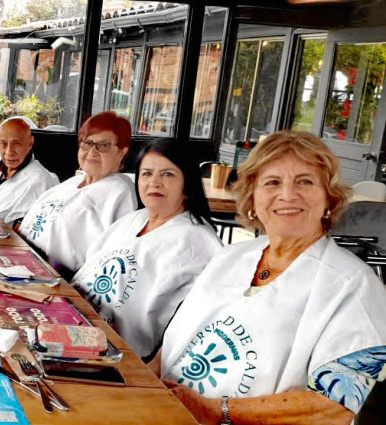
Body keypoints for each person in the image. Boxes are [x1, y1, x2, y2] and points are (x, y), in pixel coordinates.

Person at [154, 131, 386, 425]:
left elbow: (332, 408)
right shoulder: (228, 257)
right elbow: (175, 344)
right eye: (272, 182)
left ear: (329, 197)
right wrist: (141, 380)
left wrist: (213, 410)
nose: (287, 195)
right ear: (252, 197)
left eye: (305, 181)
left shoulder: (355, 286)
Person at [71, 139, 222, 360]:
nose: (154, 182)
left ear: (187, 184)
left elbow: (192, 323)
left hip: (121, 355)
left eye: (167, 174)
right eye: (147, 174)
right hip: (74, 326)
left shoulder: (198, 241)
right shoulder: (132, 220)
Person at [18, 111, 137, 276]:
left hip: (57, 279)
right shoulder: (74, 182)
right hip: (21, 262)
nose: (92, 151)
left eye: (104, 145)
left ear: (121, 152)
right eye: (87, 143)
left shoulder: (120, 191)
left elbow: (111, 256)